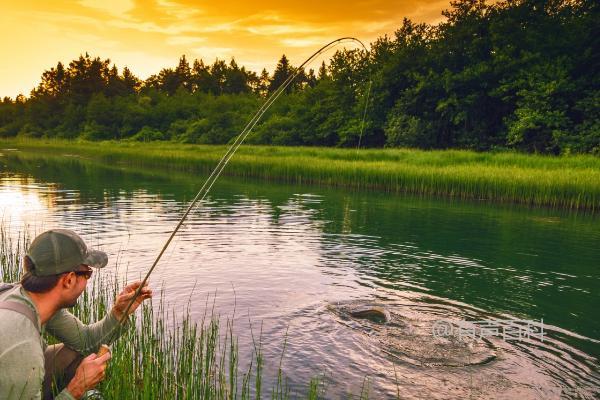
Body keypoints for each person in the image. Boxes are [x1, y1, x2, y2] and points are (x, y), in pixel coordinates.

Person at [0, 229, 152, 400]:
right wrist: (76, 389)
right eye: (87, 274)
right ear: (69, 280)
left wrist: (119, 313)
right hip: (18, 364)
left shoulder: (24, 296)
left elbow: (85, 341)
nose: (87, 281)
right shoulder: (23, 347)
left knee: (73, 354)